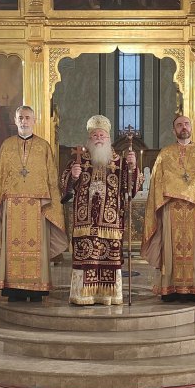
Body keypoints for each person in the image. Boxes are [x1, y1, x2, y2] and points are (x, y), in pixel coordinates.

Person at [0, 105, 68, 302]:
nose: (24, 121)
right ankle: (14, 290)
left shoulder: (44, 146)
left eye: (27, 118)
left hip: (37, 207)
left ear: (34, 121)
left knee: (36, 247)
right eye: (20, 118)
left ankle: (36, 289)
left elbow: (51, 178)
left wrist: (52, 206)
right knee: (12, 247)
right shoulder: (6, 146)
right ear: (15, 121)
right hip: (11, 206)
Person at [142, 115, 195, 303]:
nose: (183, 127)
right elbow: (157, 183)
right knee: (171, 247)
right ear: (174, 130)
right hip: (171, 209)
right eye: (179, 125)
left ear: (191, 127)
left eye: (186, 124)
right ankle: (170, 289)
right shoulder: (165, 154)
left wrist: (186, 191)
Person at [60, 115, 138, 306]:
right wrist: (73, 177)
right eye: (95, 135)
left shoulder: (119, 162)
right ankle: (83, 295)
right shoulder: (78, 159)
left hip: (110, 222)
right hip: (84, 221)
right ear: (89, 138)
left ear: (108, 137)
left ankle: (108, 295)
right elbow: (65, 187)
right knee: (86, 258)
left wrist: (132, 167)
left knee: (108, 259)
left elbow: (130, 190)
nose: (99, 138)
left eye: (102, 134)